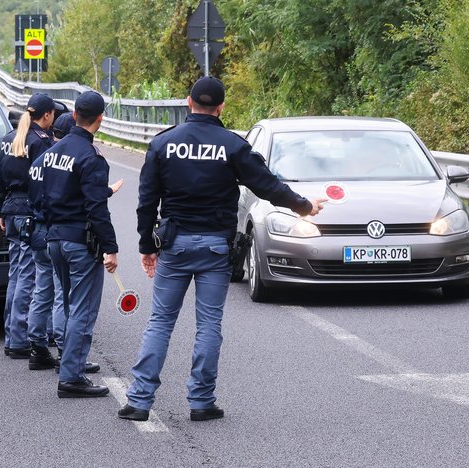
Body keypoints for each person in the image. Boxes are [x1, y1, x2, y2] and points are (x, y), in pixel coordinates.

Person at [118, 77, 326, 422]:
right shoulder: (232, 145)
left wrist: (146, 245)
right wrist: (304, 207)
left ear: (188, 102)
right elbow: (268, 186)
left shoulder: (164, 144)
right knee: (209, 325)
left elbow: (146, 201)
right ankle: (201, 402)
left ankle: (139, 401)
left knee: (159, 323)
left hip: (174, 245)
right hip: (215, 248)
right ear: (221, 107)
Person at [41, 90, 119, 398]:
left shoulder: (52, 152)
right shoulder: (91, 157)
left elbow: (42, 196)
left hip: (54, 240)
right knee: (83, 310)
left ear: (74, 115)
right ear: (99, 119)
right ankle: (72, 375)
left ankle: (68, 365)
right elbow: (97, 208)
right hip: (79, 242)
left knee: (69, 303)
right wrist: (110, 247)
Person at [0, 93, 57, 367]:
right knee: (31, 276)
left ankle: (12, 336)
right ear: (47, 115)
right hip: (30, 213)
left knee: (16, 274)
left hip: (10, 210)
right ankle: (21, 340)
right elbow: (45, 184)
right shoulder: (40, 143)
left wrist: (0, 212)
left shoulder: (9, 139)